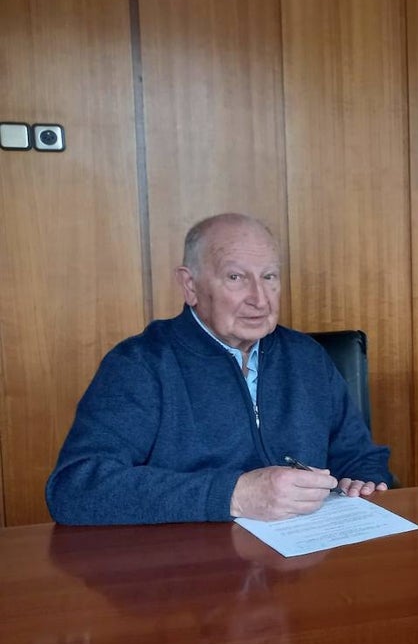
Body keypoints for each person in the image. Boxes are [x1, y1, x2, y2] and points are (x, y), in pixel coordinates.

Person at [46, 213, 390, 525]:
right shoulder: (140, 364)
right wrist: (234, 495)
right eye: (236, 277)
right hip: (191, 575)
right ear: (190, 286)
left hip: (302, 567)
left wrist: (362, 479)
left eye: (269, 276)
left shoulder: (306, 357)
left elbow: (358, 456)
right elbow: (76, 489)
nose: (260, 298)